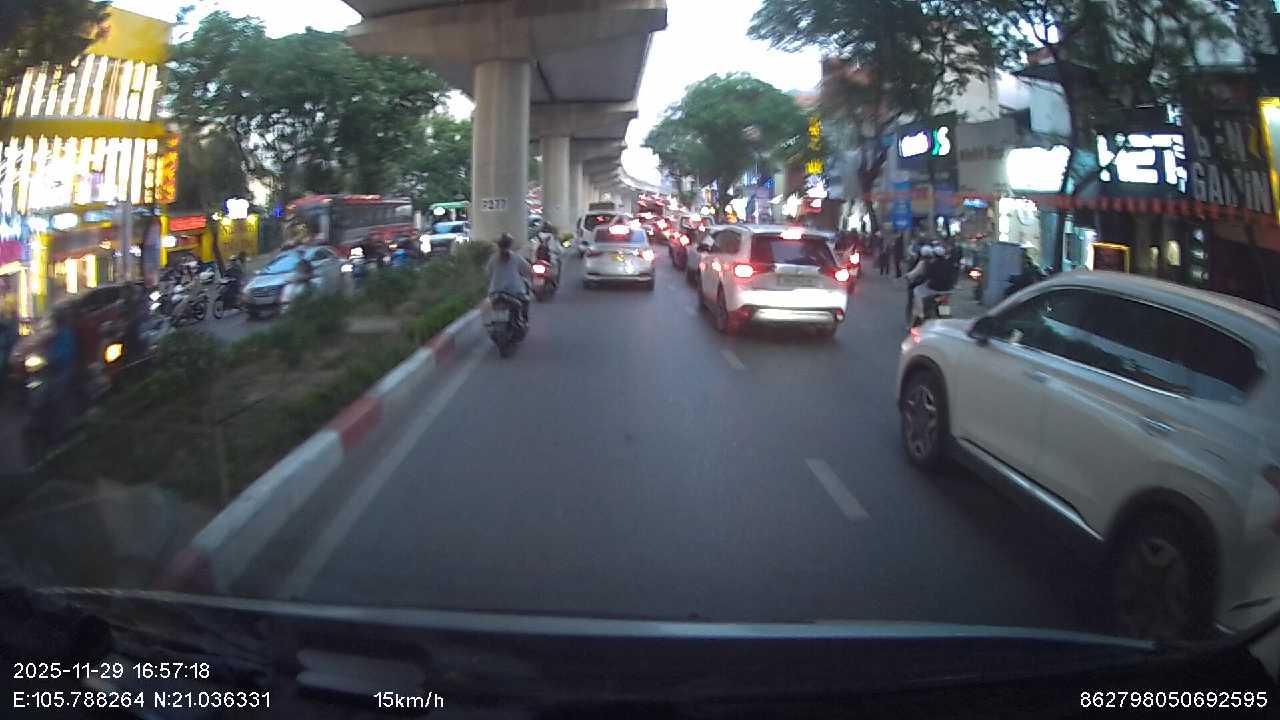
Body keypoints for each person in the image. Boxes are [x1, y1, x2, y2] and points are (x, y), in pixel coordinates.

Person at [486, 233, 532, 323]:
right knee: (526, 301)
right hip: (514, 292)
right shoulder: (516, 257)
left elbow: (488, 273)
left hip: (495, 291)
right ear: (510, 244)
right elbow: (527, 270)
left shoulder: (493, 258)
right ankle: (523, 321)